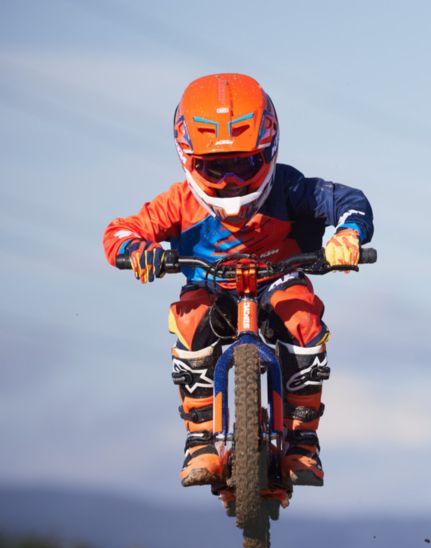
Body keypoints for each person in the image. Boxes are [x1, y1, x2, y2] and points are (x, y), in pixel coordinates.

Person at [102, 73, 373, 496]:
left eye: (244, 164)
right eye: (216, 168)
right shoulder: (179, 202)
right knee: (190, 321)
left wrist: (347, 235)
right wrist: (137, 249)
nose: (230, 181)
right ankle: (201, 440)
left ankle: (302, 441)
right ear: (189, 159)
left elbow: (349, 201)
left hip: (279, 279)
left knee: (301, 317)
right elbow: (120, 231)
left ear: (268, 150)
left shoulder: (290, 186)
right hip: (210, 288)